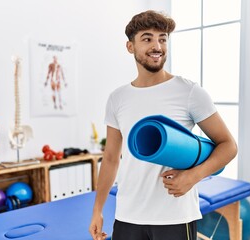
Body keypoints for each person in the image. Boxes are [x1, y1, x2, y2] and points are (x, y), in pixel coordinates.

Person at [89, 10, 237, 240]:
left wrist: (192, 177)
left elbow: (228, 145)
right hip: (128, 216)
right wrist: (97, 210)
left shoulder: (189, 92)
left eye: (162, 38)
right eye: (147, 38)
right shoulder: (117, 98)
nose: (157, 45)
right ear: (130, 47)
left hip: (175, 217)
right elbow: (110, 158)